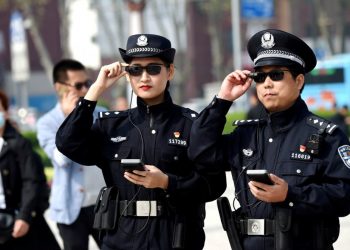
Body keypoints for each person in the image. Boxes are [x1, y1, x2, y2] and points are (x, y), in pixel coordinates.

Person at [55, 34, 225, 250]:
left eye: (153, 69)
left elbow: (213, 185)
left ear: (170, 71)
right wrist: (95, 91)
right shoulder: (112, 126)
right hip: (122, 239)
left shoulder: (191, 125)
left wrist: (167, 182)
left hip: (174, 237)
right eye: (135, 70)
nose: (144, 77)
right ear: (127, 75)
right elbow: (67, 143)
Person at [188, 29, 350, 250]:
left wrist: (290, 195)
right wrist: (222, 100)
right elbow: (200, 153)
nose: (267, 83)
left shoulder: (326, 135)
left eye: (276, 75)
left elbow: (345, 195)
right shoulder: (245, 135)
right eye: (260, 76)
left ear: (299, 80)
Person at [36, 59, 106, 250]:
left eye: (88, 84)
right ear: (60, 88)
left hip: (103, 204)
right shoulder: (47, 123)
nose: (85, 90)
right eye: (78, 85)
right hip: (69, 209)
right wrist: (71, 120)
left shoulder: (101, 114)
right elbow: (61, 160)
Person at [0, 90, 60, 250]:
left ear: (5, 112)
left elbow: (31, 181)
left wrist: (25, 216)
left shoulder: (19, 144)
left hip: (20, 218)